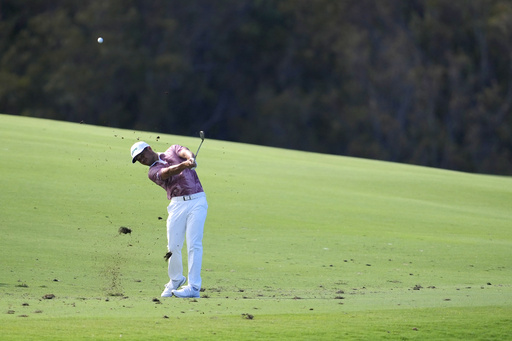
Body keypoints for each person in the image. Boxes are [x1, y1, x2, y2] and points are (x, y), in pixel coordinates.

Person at [130, 141, 208, 298]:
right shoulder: (152, 172)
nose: (142, 160)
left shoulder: (172, 150)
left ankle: (193, 287)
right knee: (173, 246)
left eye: (142, 156)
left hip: (197, 200)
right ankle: (176, 279)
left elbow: (185, 151)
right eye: (138, 159)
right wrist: (186, 165)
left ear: (149, 149)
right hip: (177, 204)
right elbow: (167, 172)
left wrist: (190, 158)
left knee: (194, 244)